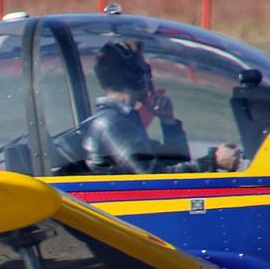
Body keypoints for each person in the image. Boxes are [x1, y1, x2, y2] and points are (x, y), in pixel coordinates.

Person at [83, 42, 241, 174]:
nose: (149, 77)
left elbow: (175, 162)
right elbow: (153, 179)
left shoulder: (125, 120)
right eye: (145, 70)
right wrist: (213, 161)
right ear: (134, 77)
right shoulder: (113, 124)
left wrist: (169, 123)